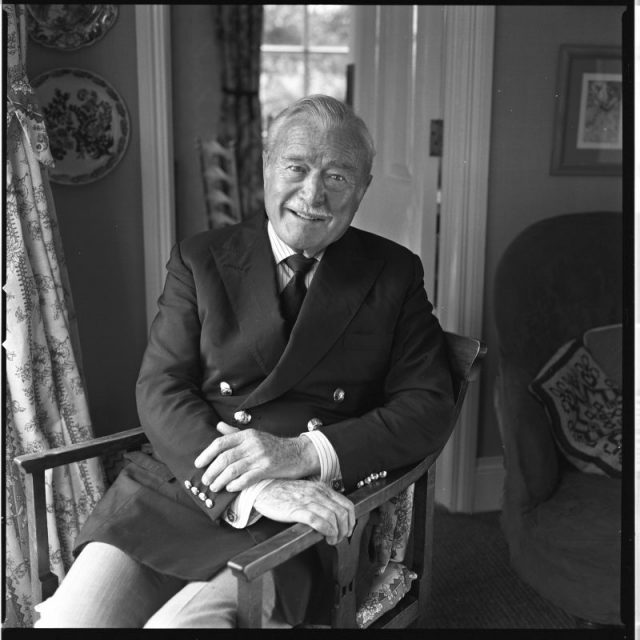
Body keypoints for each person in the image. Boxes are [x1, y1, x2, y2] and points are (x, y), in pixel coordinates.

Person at [35, 94, 455, 628]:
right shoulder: (201, 257)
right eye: (297, 168)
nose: (313, 195)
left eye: (338, 177)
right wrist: (256, 487)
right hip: (183, 488)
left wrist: (304, 451)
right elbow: (161, 387)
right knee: (69, 623)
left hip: (298, 514)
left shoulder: (394, 273)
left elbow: (428, 406)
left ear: (363, 189)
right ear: (266, 168)